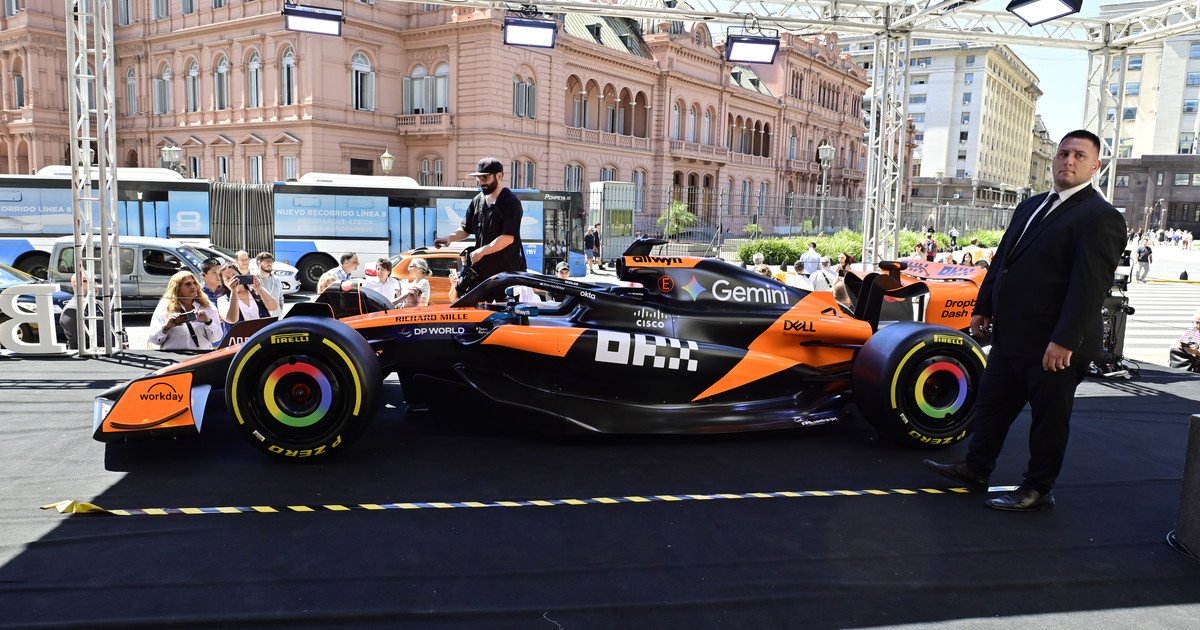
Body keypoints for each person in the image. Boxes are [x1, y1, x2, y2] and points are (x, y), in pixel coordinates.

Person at [924, 129, 1126, 512]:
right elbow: (1003, 260)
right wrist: (983, 306)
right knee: (992, 406)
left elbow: (1089, 288)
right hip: (1012, 335)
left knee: (1048, 420)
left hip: (1055, 344)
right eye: (1063, 153)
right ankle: (976, 468)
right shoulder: (1031, 205)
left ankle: (1038, 488)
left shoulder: (1101, 217)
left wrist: (1064, 340)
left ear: (1095, 166)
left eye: (1079, 156)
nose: (1068, 161)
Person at [433, 157, 526, 293]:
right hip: (480, 273)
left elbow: (507, 238)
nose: (481, 182)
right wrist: (449, 238)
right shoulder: (477, 200)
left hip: (504, 274)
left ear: (499, 176)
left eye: (485, 178)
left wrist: (481, 252)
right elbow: (465, 229)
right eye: (478, 178)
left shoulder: (511, 202)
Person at [147, 271, 221, 351]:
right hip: (174, 356)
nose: (193, 286)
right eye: (188, 284)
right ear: (177, 289)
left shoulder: (207, 306)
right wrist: (166, 327)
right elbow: (154, 339)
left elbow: (216, 338)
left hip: (201, 355)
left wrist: (208, 322)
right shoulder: (165, 307)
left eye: (194, 283)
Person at [59, 274, 119, 350]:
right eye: (87, 281)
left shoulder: (103, 304)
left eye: (96, 281)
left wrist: (121, 342)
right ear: (75, 285)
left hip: (113, 352)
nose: (94, 284)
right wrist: (113, 346)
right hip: (91, 355)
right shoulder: (72, 309)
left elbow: (118, 328)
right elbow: (87, 340)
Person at [255, 252, 284, 318]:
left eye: (271, 261)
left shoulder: (276, 280)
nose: (269, 263)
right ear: (259, 263)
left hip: (276, 318)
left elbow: (281, 299)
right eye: (266, 261)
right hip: (261, 319)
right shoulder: (254, 280)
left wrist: (279, 313)